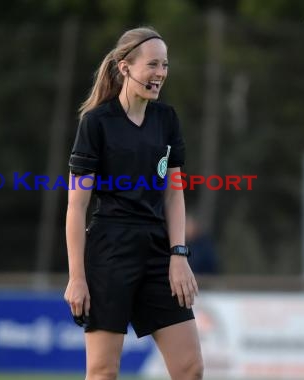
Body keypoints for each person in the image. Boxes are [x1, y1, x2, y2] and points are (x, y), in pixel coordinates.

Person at [64, 26, 204, 380]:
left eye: (165, 65)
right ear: (125, 67)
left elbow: (174, 193)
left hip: (158, 252)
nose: (160, 74)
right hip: (110, 252)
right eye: (152, 65)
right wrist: (77, 278)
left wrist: (178, 254)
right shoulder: (96, 123)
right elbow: (76, 206)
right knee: (102, 373)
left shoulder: (166, 120)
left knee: (190, 369)